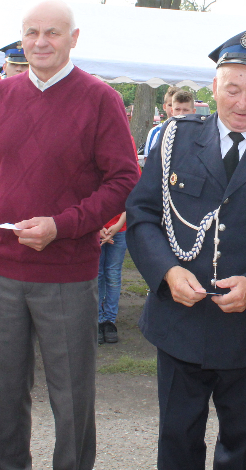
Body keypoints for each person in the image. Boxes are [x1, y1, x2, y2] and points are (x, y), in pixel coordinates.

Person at [0, 0, 140, 470]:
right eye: (31, 32)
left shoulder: (100, 99)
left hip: (66, 273)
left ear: (73, 38)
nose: (40, 41)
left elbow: (124, 180)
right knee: (3, 390)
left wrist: (63, 225)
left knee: (71, 394)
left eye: (52, 32)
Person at [126, 29, 246, 470]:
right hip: (181, 322)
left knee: (242, 445)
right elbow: (141, 215)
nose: (242, 102)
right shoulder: (175, 139)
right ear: (213, 87)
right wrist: (167, 273)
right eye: (232, 89)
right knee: (177, 442)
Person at [98, 133, 140, 346]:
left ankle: (109, 320)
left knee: (113, 274)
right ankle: (96, 319)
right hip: (95, 227)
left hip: (119, 226)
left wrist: (115, 227)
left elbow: (133, 193)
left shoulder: (127, 146)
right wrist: (98, 227)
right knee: (96, 275)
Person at [145, 85, 182, 154]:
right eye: (170, 105)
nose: (173, 109)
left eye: (177, 106)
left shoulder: (193, 131)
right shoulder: (155, 131)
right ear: (164, 107)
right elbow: (148, 159)